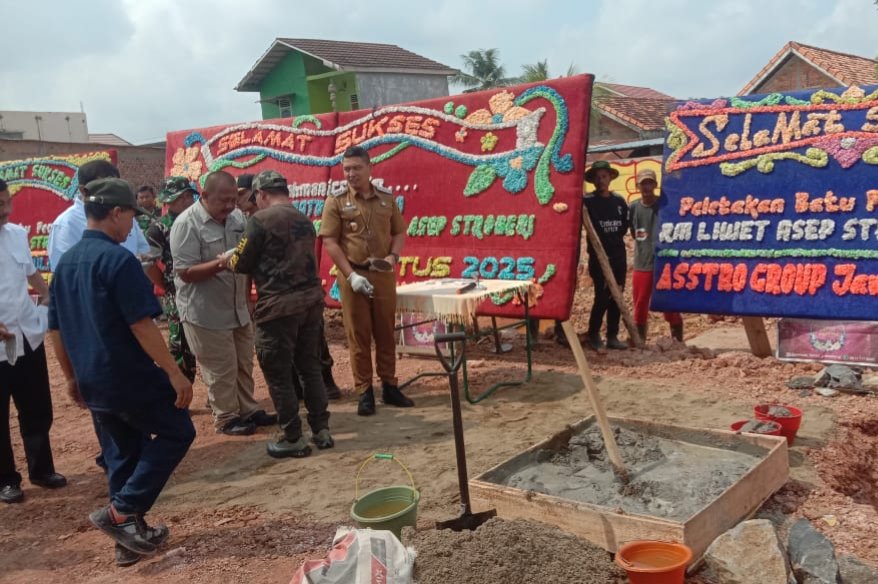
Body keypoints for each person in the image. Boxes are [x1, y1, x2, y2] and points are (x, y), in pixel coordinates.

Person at [47, 177, 195, 566]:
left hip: (91, 378)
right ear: (115, 213)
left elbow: (56, 330)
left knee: (121, 454)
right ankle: (121, 511)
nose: (133, 224)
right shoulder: (118, 260)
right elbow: (141, 324)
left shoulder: (65, 264)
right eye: (131, 215)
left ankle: (128, 541)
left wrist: (71, 377)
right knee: (178, 431)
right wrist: (173, 372)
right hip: (126, 375)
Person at [220, 170, 332, 458]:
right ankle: (321, 430)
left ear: (261, 194)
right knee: (309, 368)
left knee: (279, 374)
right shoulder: (304, 219)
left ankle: (292, 437)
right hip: (310, 304)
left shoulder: (260, 221)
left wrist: (226, 258)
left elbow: (241, 262)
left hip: (277, 308)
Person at [171, 170, 275, 435]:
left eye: (233, 200)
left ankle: (248, 409)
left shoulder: (237, 218)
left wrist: (248, 296)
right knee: (220, 367)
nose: (230, 206)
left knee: (243, 363)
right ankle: (226, 417)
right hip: (205, 310)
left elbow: (245, 258)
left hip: (237, 306)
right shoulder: (186, 224)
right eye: (223, 200)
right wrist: (221, 263)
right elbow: (185, 272)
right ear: (205, 195)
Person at [319, 146, 412, 416]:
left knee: (385, 331)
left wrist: (393, 257)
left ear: (370, 168)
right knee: (358, 334)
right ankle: (364, 391)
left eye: (356, 168)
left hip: (382, 274)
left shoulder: (386, 199)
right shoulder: (336, 201)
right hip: (353, 275)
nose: (351, 174)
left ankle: (390, 385)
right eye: (346, 169)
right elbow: (330, 241)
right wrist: (351, 275)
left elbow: (399, 232)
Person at [0, 180, 66, 504]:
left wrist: (49, 296)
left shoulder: (15, 234)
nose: (5, 210)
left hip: (26, 332)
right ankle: (5, 480)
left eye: (6, 202)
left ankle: (41, 470)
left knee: (37, 406)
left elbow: (31, 274)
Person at [47, 160, 150, 270]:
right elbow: (65, 270)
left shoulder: (124, 215)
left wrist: (136, 261)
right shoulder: (65, 224)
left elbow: (143, 250)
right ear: (83, 190)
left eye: (115, 186)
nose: (113, 192)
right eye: (105, 187)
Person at [144, 177, 198, 382]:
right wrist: (166, 286)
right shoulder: (159, 228)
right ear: (169, 200)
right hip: (177, 293)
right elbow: (148, 264)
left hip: (205, 288)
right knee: (181, 345)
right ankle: (181, 390)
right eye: (182, 197)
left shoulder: (200, 221)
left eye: (189, 196)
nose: (187, 201)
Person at [628, 169, 683, 342]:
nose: (646, 187)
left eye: (649, 183)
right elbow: (633, 232)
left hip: (665, 262)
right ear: (637, 186)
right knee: (640, 302)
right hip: (642, 262)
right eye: (643, 183)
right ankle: (640, 339)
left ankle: (677, 339)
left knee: (669, 302)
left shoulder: (664, 206)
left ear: (655, 185)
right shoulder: (634, 208)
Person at [583, 160, 629, 351]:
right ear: (593, 181)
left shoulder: (619, 201)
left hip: (618, 256)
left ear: (610, 178)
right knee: (601, 297)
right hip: (598, 258)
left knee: (616, 296)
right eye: (597, 177)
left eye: (604, 176)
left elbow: (624, 227)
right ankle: (593, 334)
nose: (601, 180)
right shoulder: (587, 202)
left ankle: (612, 336)